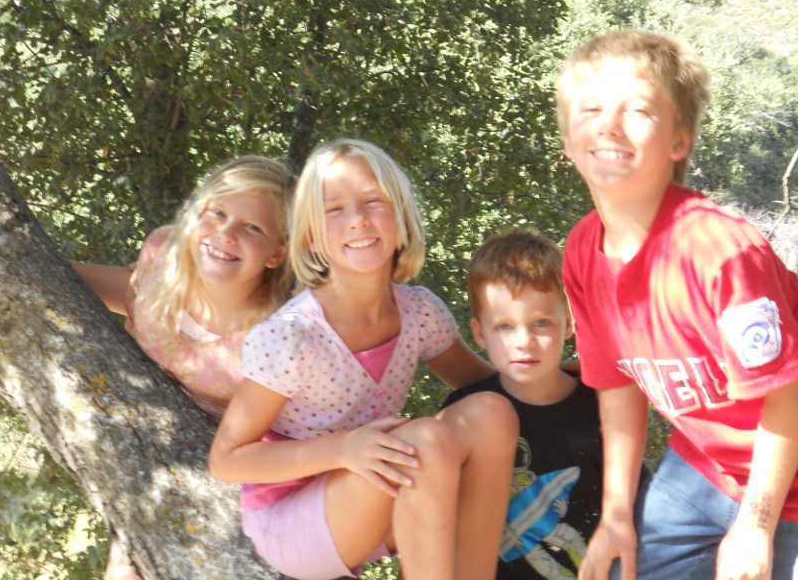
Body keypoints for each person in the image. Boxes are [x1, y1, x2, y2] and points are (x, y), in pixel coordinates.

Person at [555, 29, 798, 580]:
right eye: (590, 108)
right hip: (715, 461)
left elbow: (793, 394)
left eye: (638, 109)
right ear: (567, 138)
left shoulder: (716, 250)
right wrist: (617, 514)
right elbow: (617, 387)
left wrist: (754, 528)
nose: (609, 125)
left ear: (679, 141)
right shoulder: (581, 252)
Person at [209, 138, 518, 580]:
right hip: (294, 522)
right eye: (335, 209)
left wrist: (578, 371)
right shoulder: (294, 336)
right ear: (312, 236)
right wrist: (342, 450)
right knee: (424, 440)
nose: (357, 220)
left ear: (401, 218)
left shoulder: (419, 312)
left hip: (380, 497)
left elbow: (486, 383)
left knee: (492, 411)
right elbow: (226, 460)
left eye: (373, 201)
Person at [72, 154, 293, 580]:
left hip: (225, 463)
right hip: (142, 438)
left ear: (277, 252)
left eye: (253, 228)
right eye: (217, 213)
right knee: (124, 567)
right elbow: (135, 294)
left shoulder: (274, 333)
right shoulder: (164, 253)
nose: (225, 233)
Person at [444, 228, 603, 579]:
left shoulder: (600, 406)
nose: (524, 342)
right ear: (480, 333)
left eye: (541, 323)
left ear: (569, 324)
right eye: (504, 327)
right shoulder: (466, 412)